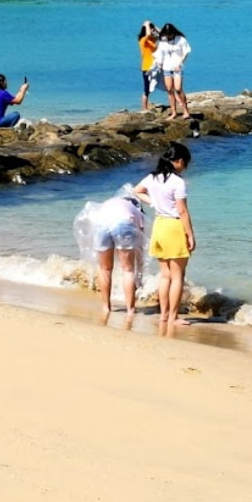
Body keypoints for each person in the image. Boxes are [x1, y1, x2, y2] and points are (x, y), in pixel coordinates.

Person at [134, 142, 195, 330]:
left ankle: (164, 315)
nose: (185, 167)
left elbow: (136, 191)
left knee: (165, 275)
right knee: (177, 276)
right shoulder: (178, 182)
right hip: (174, 226)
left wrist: (153, 203)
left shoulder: (153, 178)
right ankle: (173, 317)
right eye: (185, 163)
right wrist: (190, 235)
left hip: (159, 225)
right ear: (180, 161)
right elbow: (183, 211)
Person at [74, 189, 146, 317]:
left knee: (104, 269)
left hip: (100, 225)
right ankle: (130, 310)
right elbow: (140, 247)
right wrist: (139, 273)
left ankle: (106, 307)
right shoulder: (136, 211)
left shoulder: (110, 202)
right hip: (123, 223)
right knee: (128, 270)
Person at [155, 23, 192, 120]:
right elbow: (160, 54)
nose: (168, 37)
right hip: (166, 67)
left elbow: (186, 52)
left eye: (170, 35)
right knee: (169, 90)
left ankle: (185, 111)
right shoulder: (162, 41)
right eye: (166, 35)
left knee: (178, 89)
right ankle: (174, 112)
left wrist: (180, 63)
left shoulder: (181, 39)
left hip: (177, 67)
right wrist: (159, 64)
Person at [138, 21, 159, 112]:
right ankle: (144, 108)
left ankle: (177, 102)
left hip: (155, 67)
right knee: (147, 89)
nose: (152, 31)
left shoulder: (152, 40)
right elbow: (148, 33)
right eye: (151, 29)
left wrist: (154, 25)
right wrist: (147, 25)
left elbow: (161, 34)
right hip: (147, 67)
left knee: (167, 85)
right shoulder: (143, 40)